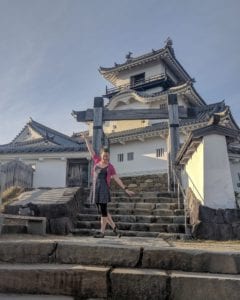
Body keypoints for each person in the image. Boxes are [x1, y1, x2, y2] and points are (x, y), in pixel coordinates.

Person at [82, 133, 135, 238]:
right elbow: (90, 150)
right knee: (103, 211)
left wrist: (126, 189)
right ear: (101, 155)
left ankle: (102, 232)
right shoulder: (96, 160)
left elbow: (116, 178)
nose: (106, 158)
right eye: (104, 156)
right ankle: (115, 229)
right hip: (95, 188)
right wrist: (86, 140)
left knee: (103, 212)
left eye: (108, 156)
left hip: (103, 189)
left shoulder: (110, 167)